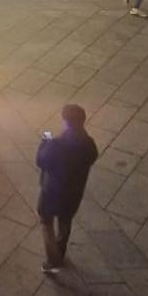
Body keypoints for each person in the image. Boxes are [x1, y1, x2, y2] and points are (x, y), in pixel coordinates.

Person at [35, 103, 98, 270]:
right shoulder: (89, 144)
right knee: (65, 222)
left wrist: (45, 142)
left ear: (67, 123)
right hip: (73, 194)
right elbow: (91, 158)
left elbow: (41, 160)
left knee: (46, 222)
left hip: (51, 193)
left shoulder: (56, 145)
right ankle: (61, 251)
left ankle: (52, 260)